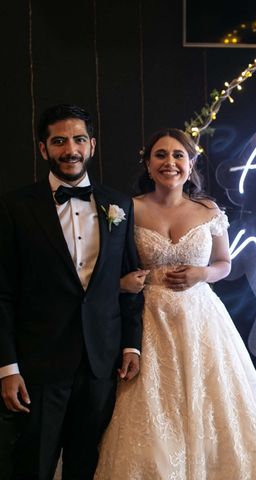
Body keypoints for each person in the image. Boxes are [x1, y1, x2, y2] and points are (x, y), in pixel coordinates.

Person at [94, 129, 256, 479]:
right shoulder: (129, 209)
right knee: (154, 408)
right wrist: (121, 284)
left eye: (178, 156)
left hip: (201, 319)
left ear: (190, 166)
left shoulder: (208, 210)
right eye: (161, 155)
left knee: (215, 406)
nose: (169, 163)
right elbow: (107, 267)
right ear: (148, 164)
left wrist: (201, 273)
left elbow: (225, 263)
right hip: (149, 319)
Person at [0, 104, 144, 479]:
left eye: (79, 139)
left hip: (101, 363)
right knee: (33, 466)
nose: (70, 149)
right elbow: (2, 294)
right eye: (59, 141)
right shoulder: (14, 207)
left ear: (92, 145)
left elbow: (132, 282)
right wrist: (7, 368)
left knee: (87, 466)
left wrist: (131, 345)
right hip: (39, 366)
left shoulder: (119, 205)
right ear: (44, 149)